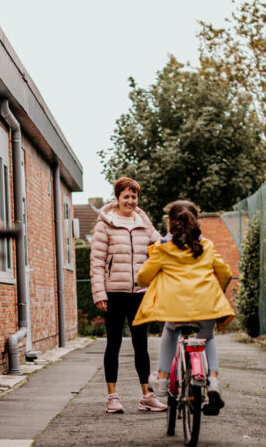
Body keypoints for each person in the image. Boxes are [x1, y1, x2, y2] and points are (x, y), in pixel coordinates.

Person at [133, 200, 234, 411]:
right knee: (208, 337)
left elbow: (143, 276)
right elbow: (224, 272)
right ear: (196, 222)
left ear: (171, 223)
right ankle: (213, 379)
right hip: (206, 306)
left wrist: (146, 282)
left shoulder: (164, 248)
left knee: (170, 331)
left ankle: (161, 378)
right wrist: (219, 289)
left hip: (175, 309)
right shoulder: (206, 246)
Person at [90, 177, 165, 413]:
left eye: (134, 196)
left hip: (139, 294)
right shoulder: (105, 224)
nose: (130, 201)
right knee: (113, 344)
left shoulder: (144, 223)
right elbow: (97, 262)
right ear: (117, 198)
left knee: (141, 345)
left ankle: (147, 396)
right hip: (113, 293)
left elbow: (161, 247)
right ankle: (112, 397)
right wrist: (99, 293)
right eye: (126, 196)